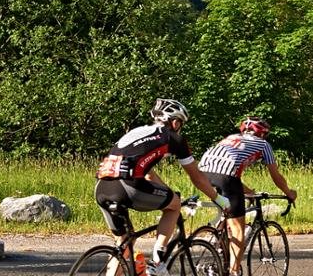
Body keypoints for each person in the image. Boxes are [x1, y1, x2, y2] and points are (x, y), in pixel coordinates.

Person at [94, 98, 230, 276]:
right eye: (180, 123)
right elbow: (197, 178)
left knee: (123, 243)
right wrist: (219, 199)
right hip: (128, 187)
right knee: (175, 205)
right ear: (174, 121)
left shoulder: (139, 131)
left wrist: (169, 193)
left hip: (102, 188)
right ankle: (157, 263)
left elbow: (148, 173)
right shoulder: (173, 138)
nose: (180, 127)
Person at [198, 118, 297, 276]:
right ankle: (234, 271)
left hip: (202, 174)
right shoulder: (263, 145)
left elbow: (229, 175)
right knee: (238, 228)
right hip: (226, 177)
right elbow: (276, 176)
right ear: (263, 134)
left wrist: (249, 191)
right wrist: (289, 193)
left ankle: (217, 250)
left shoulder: (231, 138)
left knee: (227, 212)